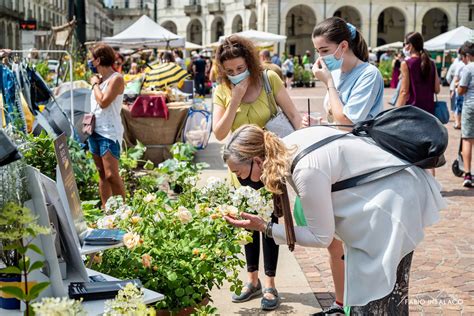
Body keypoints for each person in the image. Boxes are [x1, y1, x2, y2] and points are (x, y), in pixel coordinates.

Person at [223, 124, 445, 315]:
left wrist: (265, 228)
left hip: (392, 206)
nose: (240, 180)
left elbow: (321, 236)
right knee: (374, 297)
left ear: (258, 161)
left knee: (377, 300)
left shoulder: (304, 169)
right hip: (390, 198)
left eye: (240, 173)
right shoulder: (290, 144)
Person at [212, 35, 302, 311]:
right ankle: (252, 280)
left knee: (269, 225)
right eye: (230, 71)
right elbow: (219, 133)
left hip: (268, 167)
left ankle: (271, 283)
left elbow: (294, 116)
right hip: (239, 170)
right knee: (245, 224)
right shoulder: (223, 91)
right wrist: (234, 100)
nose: (237, 74)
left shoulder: (268, 80)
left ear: (250, 61)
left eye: (240, 68)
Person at [302, 17, 385, 315]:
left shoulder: (368, 74)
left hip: (361, 168)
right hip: (339, 166)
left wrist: (329, 85)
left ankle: (357, 306)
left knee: (354, 242)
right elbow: (335, 120)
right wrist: (318, 122)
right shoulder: (338, 75)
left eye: (324, 50)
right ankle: (341, 303)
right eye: (317, 51)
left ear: (343, 47)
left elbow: (348, 123)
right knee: (335, 243)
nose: (319, 58)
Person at [88, 43, 126, 208]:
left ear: (97, 61)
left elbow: (103, 102)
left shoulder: (116, 79)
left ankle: (124, 210)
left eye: (92, 58)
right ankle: (107, 210)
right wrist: (97, 83)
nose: (90, 62)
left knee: (111, 174)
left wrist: (94, 85)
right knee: (102, 173)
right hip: (94, 130)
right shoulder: (101, 80)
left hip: (109, 132)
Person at [457, 41, 474, 188]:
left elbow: (461, 90)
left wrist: (458, 87)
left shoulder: (468, 69)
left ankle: (468, 173)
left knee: (467, 139)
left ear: (468, 55)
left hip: (470, 106)